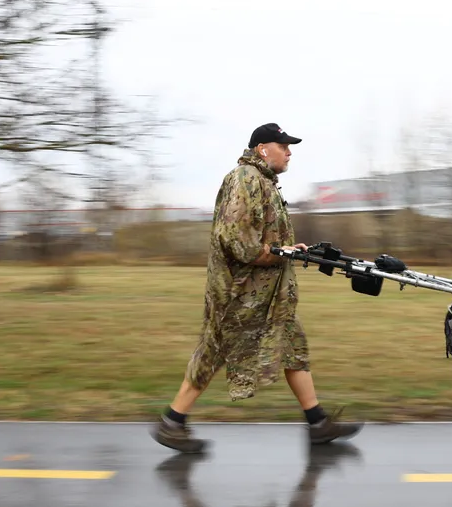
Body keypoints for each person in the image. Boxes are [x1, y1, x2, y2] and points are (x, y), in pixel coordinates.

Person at [151, 123, 363, 454]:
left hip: (266, 294)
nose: (290, 152)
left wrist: (291, 248)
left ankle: (318, 423)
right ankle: (172, 422)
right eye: (284, 146)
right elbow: (237, 240)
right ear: (263, 148)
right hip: (239, 293)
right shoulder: (244, 179)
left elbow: (263, 236)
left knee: (293, 346)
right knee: (214, 350)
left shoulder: (262, 182)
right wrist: (276, 253)